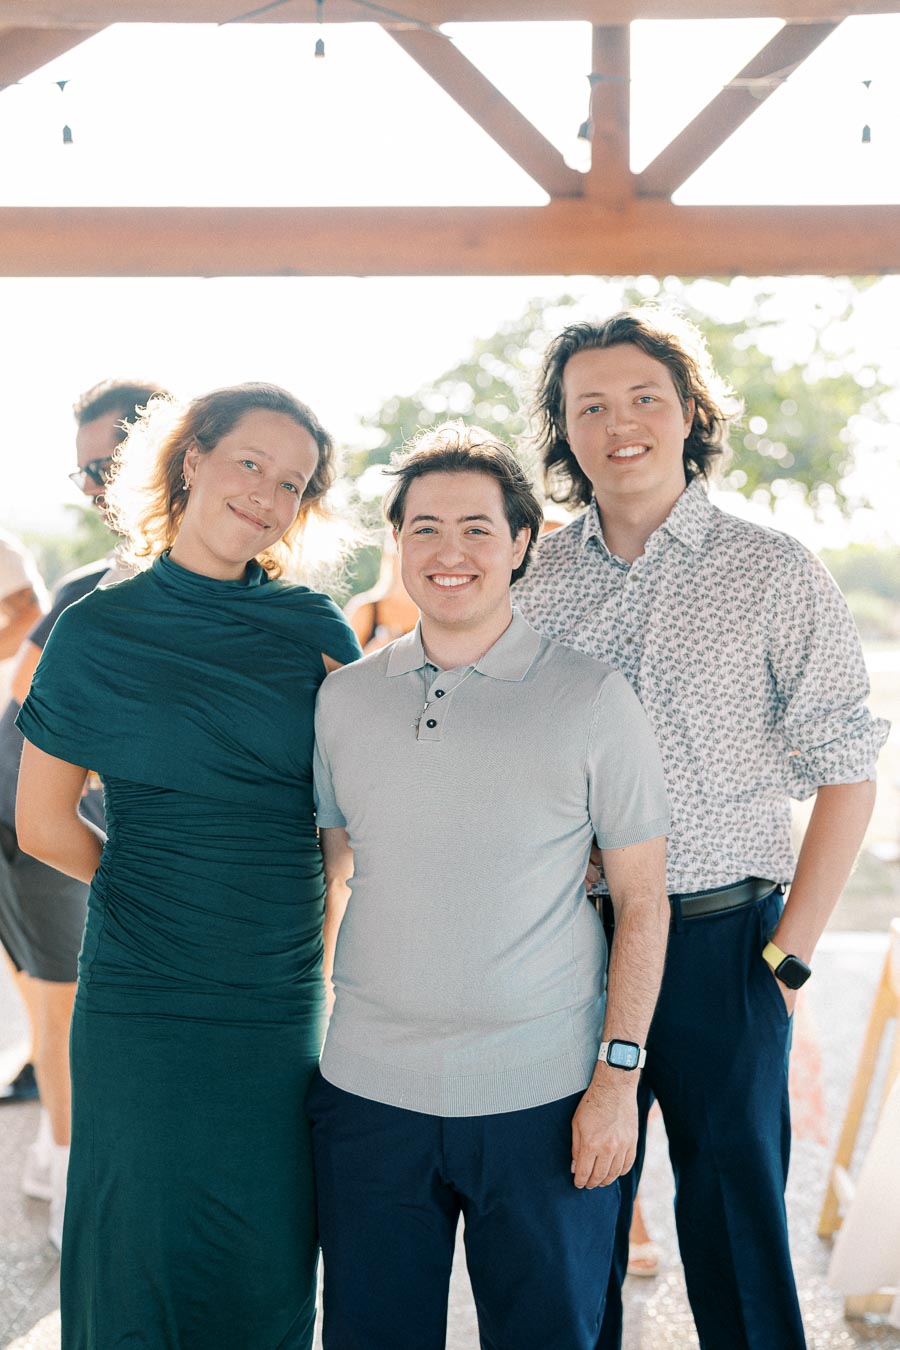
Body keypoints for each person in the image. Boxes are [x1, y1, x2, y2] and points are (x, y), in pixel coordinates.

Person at [513, 310, 890, 1350]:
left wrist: (789, 958)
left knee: (737, 1232)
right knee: (569, 1225)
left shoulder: (773, 569)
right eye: (590, 405)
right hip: (564, 947)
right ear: (564, 430)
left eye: (645, 398)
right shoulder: (532, 576)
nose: (619, 424)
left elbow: (848, 770)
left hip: (724, 947)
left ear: (689, 414)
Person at [309, 422, 671, 1350]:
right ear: (397, 543)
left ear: (521, 543)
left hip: (542, 1098)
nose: (450, 552)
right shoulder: (344, 700)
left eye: (477, 527)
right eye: (425, 527)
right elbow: (337, 872)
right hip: (368, 1097)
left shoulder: (593, 697)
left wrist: (617, 1081)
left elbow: (643, 902)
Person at [15, 383, 361, 1348]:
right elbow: (40, 822)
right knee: (137, 1249)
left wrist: (323, 948)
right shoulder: (97, 628)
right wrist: (149, 888)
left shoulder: (316, 629)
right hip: (142, 997)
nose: (267, 494)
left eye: (291, 483)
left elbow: (347, 829)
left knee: (266, 1256)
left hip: (279, 993)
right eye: (250, 462)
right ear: (192, 458)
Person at [0, 380, 167, 1248]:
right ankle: (68, 1178)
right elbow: (26, 693)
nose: (97, 488)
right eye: (86, 474)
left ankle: (55, 1158)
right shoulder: (89, 586)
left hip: (56, 822)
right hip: (38, 825)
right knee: (57, 1009)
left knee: (60, 1007)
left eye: (107, 466)